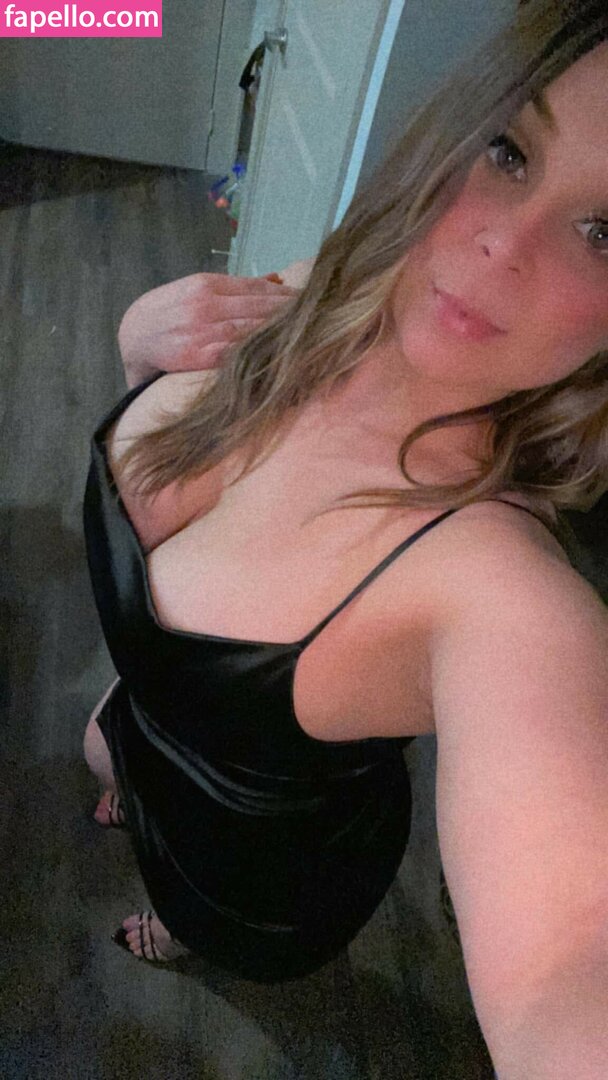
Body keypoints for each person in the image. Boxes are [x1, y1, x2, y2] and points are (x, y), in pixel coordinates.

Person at [82, 1, 608, 1075]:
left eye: (605, 234)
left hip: (259, 873)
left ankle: (182, 933)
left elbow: (567, 968)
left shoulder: (501, 594)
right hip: (139, 725)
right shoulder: (318, 292)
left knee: (201, 915)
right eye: (508, 151)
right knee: (118, 757)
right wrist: (138, 344)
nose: (502, 242)